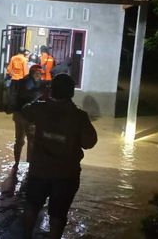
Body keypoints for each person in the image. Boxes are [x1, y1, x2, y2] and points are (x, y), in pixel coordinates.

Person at [22, 74, 97, 239]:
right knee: (58, 215)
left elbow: (23, 112)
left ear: (51, 91)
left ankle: (26, 236)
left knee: (31, 207)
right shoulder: (79, 117)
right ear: (71, 93)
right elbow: (89, 143)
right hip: (66, 175)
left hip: (39, 170)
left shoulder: (37, 108)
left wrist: (33, 132)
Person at [12, 64, 44, 169]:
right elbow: (30, 94)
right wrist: (41, 92)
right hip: (26, 117)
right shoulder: (29, 82)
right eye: (37, 73)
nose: (39, 75)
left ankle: (17, 164)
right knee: (29, 141)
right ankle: (28, 166)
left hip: (21, 116)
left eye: (40, 73)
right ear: (32, 73)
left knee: (21, 141)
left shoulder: (26, 81)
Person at [6, 47, 29, 113]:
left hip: (14, 79)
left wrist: (10, 75)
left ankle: (10, 109)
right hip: (21, 80)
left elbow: (9, 69)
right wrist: (26, 78)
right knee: (20, 94)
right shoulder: (24, 59)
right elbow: (26, 71)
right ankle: (18, 109)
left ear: (18, 51)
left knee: (12, 94)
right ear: (24, 52)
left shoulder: (13, 58)